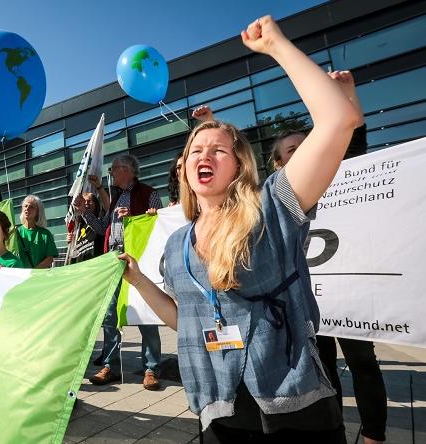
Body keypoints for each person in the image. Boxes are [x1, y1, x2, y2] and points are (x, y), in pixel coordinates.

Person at [120, 16, 360, 441]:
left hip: (293, 403)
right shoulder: (176, 246)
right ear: (185, 168)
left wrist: (277, 46)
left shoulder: (272, 206)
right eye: (195, 149)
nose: (202, 155)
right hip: (218, 406)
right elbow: (184, 320)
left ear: (240, 166)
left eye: (217, 150)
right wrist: (137, 279)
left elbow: (338, 119)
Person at [270, 72, 385, 444]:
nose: (302, 152)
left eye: (307, 145)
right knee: (323, 367)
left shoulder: (339, 173)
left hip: (347, 291)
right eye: (292, 150)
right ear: (277, 164)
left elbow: (354, 146)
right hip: (305, 297)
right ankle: (332, 426)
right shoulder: (273, 199)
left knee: (363, 364)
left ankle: (373, 436)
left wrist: (348, 93)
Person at [72, 153, 163, 390]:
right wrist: (84, 212)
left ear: (128, 170)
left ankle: (151, 368)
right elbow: (103, 228)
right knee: (110, 315)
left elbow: (158, 224)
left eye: (114, 169)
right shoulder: (115, 198)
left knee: (145, 315)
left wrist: (134, 218)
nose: (111, 173)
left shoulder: (148, 193)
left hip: (138, 261)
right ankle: (110, 365)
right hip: (113, 260)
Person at [17, 195, 58, 269]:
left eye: (31, 207)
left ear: (38, 212)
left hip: (40, 277)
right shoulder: (16, 233)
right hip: (20, 277)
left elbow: (49, 259)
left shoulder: (45, 234)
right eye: (25, 206)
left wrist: (34, 272)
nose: (27, 209)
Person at [66, 192, 105, 263]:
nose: (86, 203)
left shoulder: (100, 220)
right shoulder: (78, 225)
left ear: (96, 204)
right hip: (80, 264)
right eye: (84, 201)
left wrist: (84, 211)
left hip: (94, 263)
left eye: (89, 201)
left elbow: (100, 230)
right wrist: (70, 240)